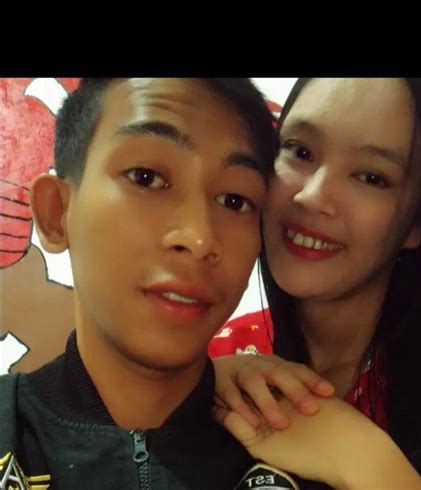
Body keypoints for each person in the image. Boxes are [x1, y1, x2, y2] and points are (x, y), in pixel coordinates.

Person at [0, 77, 284, 489]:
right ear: (56, 211)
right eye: (146, 177)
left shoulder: (299, 457)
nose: (199, 238)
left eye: (234, 201)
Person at [212, 78, 421, 489]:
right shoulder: (217, 364)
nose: (312, 196)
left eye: (371, 177)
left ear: (418, 221)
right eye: (300, 151)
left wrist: (364, 457)